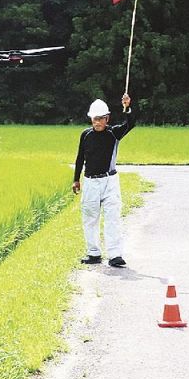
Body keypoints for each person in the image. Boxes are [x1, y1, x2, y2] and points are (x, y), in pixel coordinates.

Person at [73, 93, 134, 268]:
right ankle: (93, 253)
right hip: (90, 181)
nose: (97, 122)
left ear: (107, 118)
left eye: (100, 119)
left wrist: (127, 107)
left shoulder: (114, 133)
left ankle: (114, 255)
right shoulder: (85, 135)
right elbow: (79, 158)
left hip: (109, 181)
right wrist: (76, 179)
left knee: (112, 217)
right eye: (94, 119)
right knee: (90, 217)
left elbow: (131, 124)